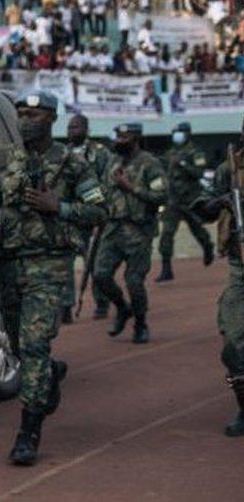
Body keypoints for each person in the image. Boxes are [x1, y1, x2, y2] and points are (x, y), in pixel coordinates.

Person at [0, 91, 106, 466]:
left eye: (33, 114)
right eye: (20, 113)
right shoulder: (2, 161)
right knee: (18, 346)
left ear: (51, 119)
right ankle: (48, 374)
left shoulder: (72, 164)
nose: (24, 119)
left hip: (49, 267)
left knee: (33, 345)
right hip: (8, 266)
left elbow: (100, 210)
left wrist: (59, 207)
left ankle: (27, 432)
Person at [93, 123, 167, 345]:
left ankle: (140, 323)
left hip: (138, 231)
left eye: (123, 137)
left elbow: (162, 196)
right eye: (117, 136)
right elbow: (105, 192)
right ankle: (122, 309)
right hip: (113, 229)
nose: (118, 140)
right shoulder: (113, 162)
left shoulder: (150, 163)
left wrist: (131, 187)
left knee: (134, 281)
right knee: (100, 275)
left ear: (135, 138)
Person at [193, 119, 244, 437]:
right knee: (232, 341)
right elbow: (202, 207)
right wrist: (222, 201)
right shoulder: (231, 169)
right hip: (240, 267)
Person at [66, 113, 112, 320]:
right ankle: (65, 306)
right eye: (69, 128)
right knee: (64, 263)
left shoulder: (99, 153)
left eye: (75, 127)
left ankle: (101, 302)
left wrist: (100, 210)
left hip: (91, 216)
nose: (71, 131)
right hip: (69, 217)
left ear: (86, 129)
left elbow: (107, 182)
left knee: (94, 263)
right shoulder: (62, 153)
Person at [156, 123, 214, 282]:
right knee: (167, 234)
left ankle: (207, 246)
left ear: (188, 133)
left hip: (190, 200)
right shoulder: (172, 152)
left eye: (179, 132)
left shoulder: (196, 152)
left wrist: (182, 164)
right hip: (172, 201)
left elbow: (199, 173)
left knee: (197, 229)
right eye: (175, 132)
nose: (177, 135)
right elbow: (161, 164)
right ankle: (166, 269)